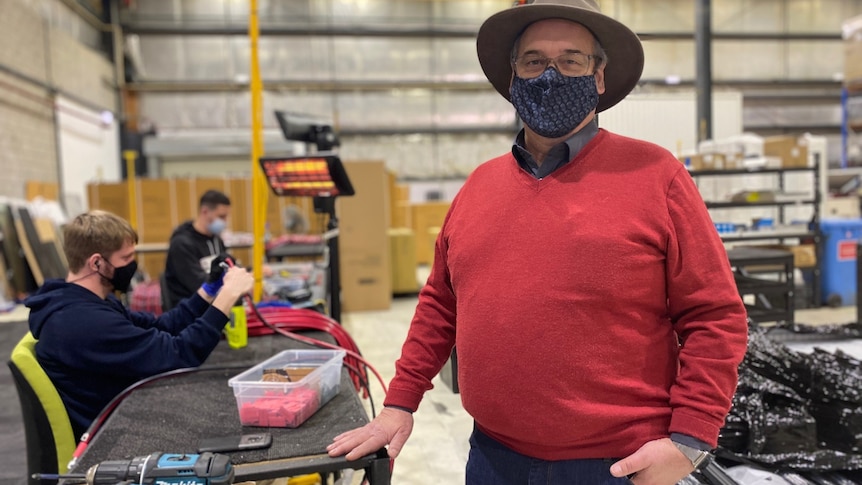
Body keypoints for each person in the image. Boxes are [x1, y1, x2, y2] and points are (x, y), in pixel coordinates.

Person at [327, 1, 748, 484]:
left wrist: (690, 439)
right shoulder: (479, 187)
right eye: (533, 61)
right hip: (491, 458)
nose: (550, 75)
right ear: (513, 79)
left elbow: (715, 315)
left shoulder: (655, 176)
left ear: (599, 78)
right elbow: (441, 304)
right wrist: (400, 402)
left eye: (571, 61)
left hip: (620, 464)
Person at [25, 210, 254, 439]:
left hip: (122, 417)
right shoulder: (84, 323)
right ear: (96, 262)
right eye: (126, 259)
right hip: (113, 439)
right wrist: (229, 295)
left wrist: (210, 289)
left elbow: (163, 326)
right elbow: (179, 354)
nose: (132, 265)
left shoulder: (88, 302)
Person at [163, 189, 232, 310]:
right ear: (205, 211)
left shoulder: (217, 240)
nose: (224, 222)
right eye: (221, 216)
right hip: (188, 313)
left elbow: (227, 268)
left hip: (212, 307)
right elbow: (197, 284)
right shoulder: (181, 244)